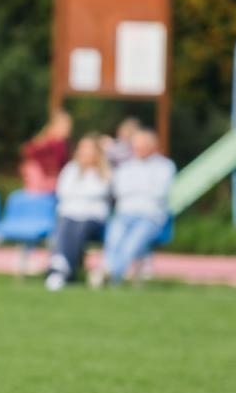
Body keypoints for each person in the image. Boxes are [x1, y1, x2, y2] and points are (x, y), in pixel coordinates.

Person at [95, 129, 175, 287]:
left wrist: (135, 189)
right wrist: (142, 189)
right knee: (113, 240)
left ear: (152, 146)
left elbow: (159, 192)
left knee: (131, 245)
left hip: (150, 217)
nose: (138, 150)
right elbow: (119, 190)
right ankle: (111, 275)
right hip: (124, 213)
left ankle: (109, 274)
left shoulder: (164, 166)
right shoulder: (126, 166)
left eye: (142, 146)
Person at [44, 136, 113, 292]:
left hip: (93, 220)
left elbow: (99, 192)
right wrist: (82, 197)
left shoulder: (104, 171)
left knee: (79, 224)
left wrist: (79, 196)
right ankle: (62, 265)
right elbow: (63, 192)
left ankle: (62, 267)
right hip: (70, 216)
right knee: (66, 223)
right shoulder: (71, 169)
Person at [20, 110, 72, 192]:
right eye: (66, 126)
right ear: (56, 126)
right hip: (44, 181)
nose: (68, 129)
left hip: (41, 180)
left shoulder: (45, 139)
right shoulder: (56, 143)